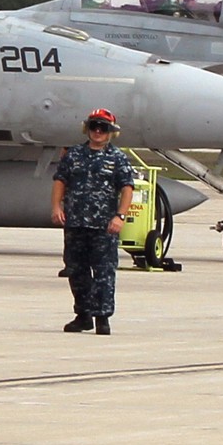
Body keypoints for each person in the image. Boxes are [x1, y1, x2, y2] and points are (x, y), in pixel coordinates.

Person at [51, 109, 134, 335]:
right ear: (87, 128)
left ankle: (102, 317)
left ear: (111, 132)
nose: (98, 132)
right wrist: (56, 206)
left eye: (103, 128)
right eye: (94, 126)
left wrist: (120, 216)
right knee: (76, 270)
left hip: (104, 226)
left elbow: (127, 188)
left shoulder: (117, 158)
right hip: (76, 222)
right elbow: (60, 180)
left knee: (104, 272)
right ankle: (83, 315)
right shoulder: (74, 154)